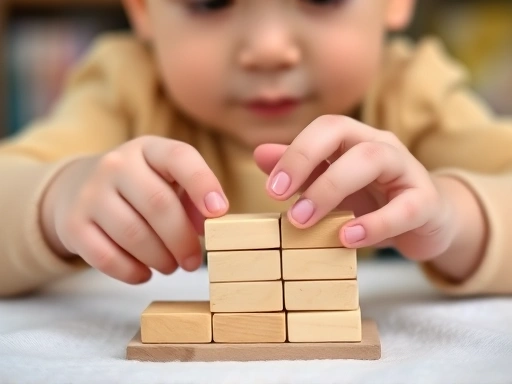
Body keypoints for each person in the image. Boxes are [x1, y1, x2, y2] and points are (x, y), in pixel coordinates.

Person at [0, 0, 511, 298]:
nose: (269, 49)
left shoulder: (411, 90)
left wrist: (458, 218)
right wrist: (54, 202)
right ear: (142, 9)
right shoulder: (126, 87)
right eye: (209, 0)